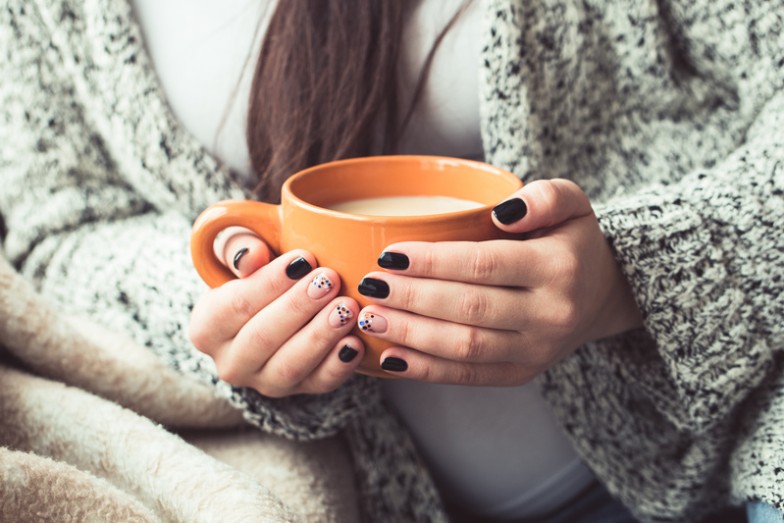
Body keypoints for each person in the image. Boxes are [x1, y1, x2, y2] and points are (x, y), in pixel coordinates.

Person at [1, 0, 782, 521]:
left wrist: (630, 274)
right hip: (363, 493)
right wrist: (221, 302)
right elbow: (60, 219)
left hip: (736, 435)